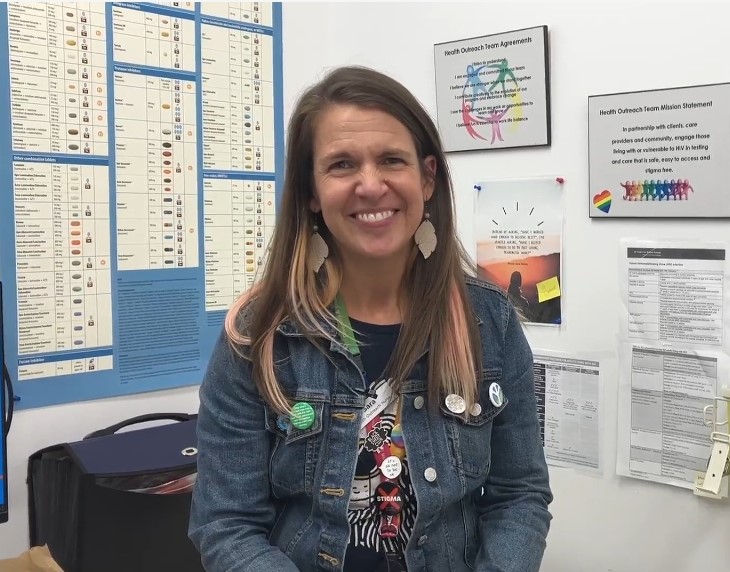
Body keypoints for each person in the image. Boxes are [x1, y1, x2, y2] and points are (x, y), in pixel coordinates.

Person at [188, 66, 552, 572]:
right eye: (341, 164)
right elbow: (226, 525)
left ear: (426, 179)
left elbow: (520, 495)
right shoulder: (260, 335)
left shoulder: (490, 322)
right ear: (312, 192)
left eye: (391, 160)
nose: (370, 185)